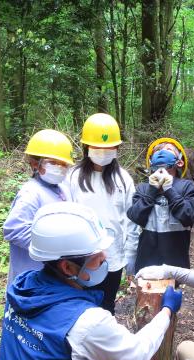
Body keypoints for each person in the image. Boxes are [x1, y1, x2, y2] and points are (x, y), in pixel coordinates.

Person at [0, 202, 181, 360]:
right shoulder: (86, 320)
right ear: (68, 267)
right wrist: (166, 311)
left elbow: (49, 341)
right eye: (96, 254)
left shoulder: (23, 289)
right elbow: (137, 354)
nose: (104, 257)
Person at [67, 113, 139, 314]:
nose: (103, 152)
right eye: (98, 148)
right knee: (80, 308)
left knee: (106, 308)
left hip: (113, 259)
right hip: (80, 259)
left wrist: (130, 256)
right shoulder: (72, 177)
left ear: (116, 149)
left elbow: (131, 221)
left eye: (108, 148)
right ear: (86, 147)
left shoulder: (123, 180)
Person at [2, 129, 74, 290]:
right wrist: (52, 245)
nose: (60, 168)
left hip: (57, 272)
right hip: (32, 275)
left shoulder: (63, 188)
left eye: (64, 164)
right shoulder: (30, 193)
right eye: (53, 163)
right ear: (35, 164)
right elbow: (13, 230)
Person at [127, 137, 194, 274]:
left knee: (173, 296)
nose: (162, 152)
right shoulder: (143, 188)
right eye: (158, 150)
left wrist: (169, 190)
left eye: (168, 149)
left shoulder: (186, 187)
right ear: (150, 162)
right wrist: (151, 191)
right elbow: (135, 216)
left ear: (179, 162)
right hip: (146, 265)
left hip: (177, 265)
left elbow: (189, 216)